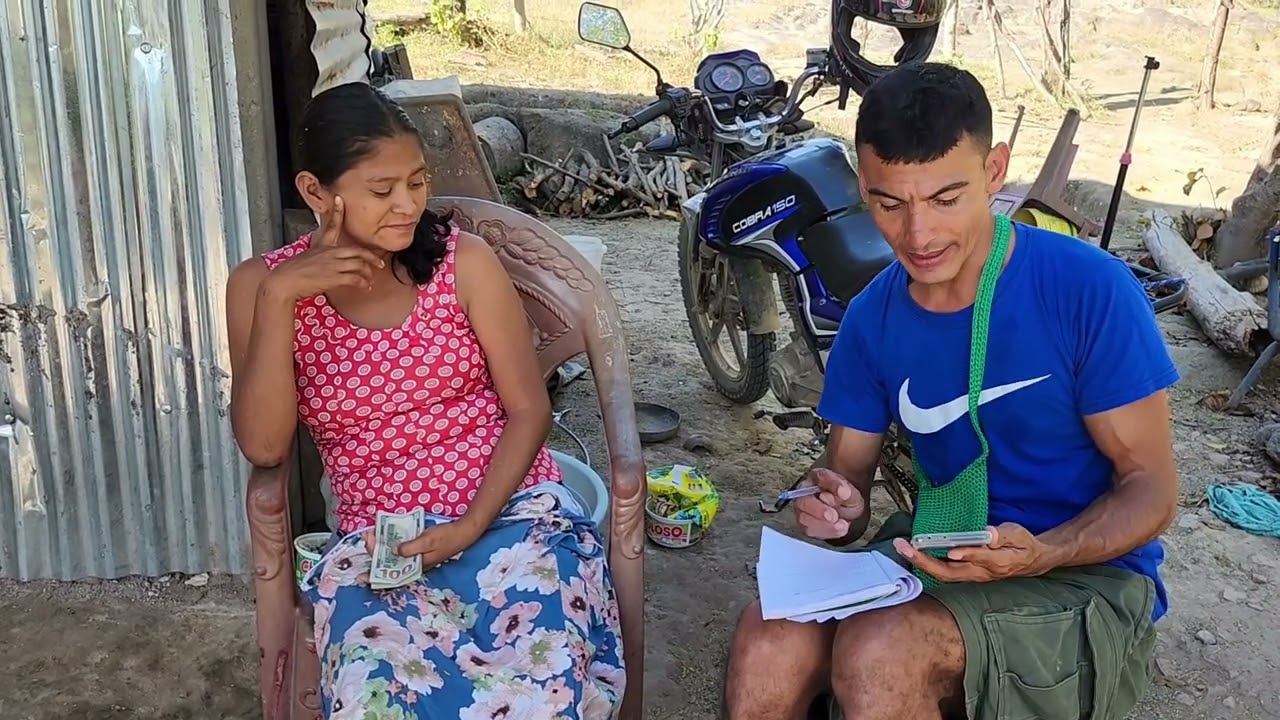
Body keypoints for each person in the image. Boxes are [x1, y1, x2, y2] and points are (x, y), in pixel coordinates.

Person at [723, 62, 1180, 720]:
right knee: (767, 635)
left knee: (881, 650)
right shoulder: (872, 317)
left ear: (995, 171)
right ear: (862, 187)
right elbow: (844, 481)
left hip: (1082, 574)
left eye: (945, 198)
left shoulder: (1089, 290)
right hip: (941, 552)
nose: (918, 235)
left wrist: (1045, 552)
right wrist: (833, 505)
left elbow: (1151, 488)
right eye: (889, 203)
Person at [225, 81, 625, 719]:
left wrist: (469, 526)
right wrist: (280, 300)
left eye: (417, 181)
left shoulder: (464, 263)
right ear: (314, 192)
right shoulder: (259, 286)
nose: (408, 204)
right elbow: (265, 445)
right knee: (377, 695)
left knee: (543, 688)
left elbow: (530, 411)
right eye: (382, 190)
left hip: (510, 515)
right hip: (382, 546)